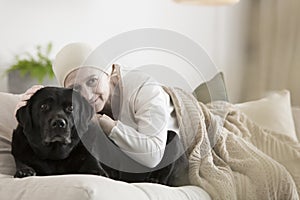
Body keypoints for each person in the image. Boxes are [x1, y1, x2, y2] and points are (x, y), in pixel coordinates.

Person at [15, 42, 182, 172]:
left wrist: (106, 124)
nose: (87, 95)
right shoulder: (78, 107)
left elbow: (152, 156)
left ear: (109, 73)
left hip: (174, 147)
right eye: (76, 89)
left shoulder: (144, 89)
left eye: (92, 81)